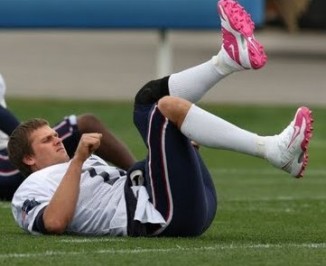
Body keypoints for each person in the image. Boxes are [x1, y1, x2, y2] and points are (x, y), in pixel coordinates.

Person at [8, 0, 313, 237]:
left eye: (54, 134)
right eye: (47, 140)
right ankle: (272, 145)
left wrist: (172, 153)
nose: (57, 139)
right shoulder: (28, 191)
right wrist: (76, 162)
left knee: (148, 102)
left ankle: (228, 61)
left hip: (179, 203)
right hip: (163, 214)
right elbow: (55, 222)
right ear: (29, 158)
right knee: (165, 108)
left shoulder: (82, 167)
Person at [0, 75, 136, 201]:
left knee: (87, 124)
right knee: (85, 125)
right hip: (6, 161)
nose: (58, 140)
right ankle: (140, 176)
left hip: (9, 153)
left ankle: (139, 175)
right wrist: (23, 140)